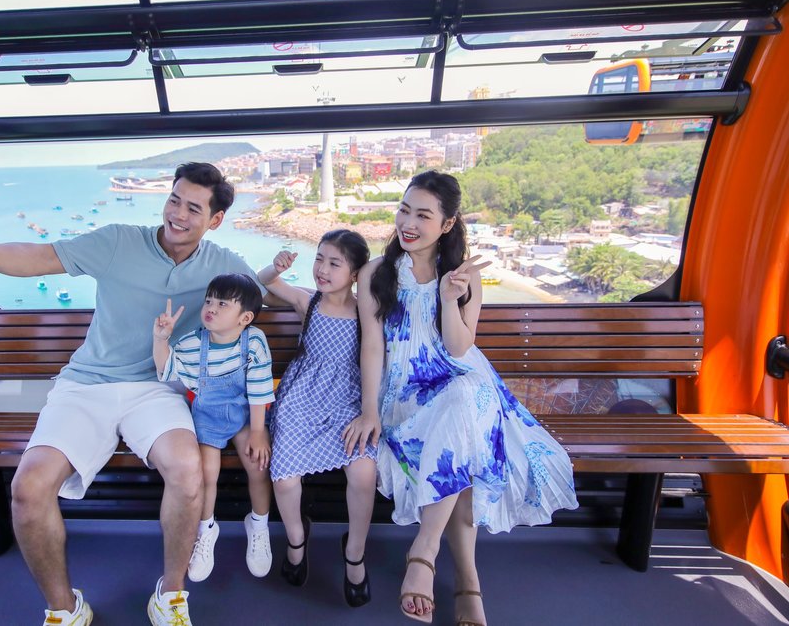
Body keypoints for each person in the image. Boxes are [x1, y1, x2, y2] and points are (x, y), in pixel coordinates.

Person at [0, 162, 265, 626]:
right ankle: (65, 609)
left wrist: (341, 300)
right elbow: (37, 257)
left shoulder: (222, 263)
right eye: (174, 198)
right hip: (86, 384)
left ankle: (170, 594)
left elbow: (268, 291)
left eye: (193, 208)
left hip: (156, 389)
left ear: (214, 220)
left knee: (188, 471)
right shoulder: (117, 241)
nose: (177, 213)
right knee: (28, 489)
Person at [347, 171, 578, 625]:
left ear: (448, 224)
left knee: (464, 403)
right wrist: (370, 409)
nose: (408, 223)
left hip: (461, 380)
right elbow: (372, 345)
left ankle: (425, 551)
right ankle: (469, 583)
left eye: (423, 215)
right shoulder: (376, 273)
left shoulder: (463, 277)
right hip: (405, 393)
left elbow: (458, 349)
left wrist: (451, 298)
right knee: (465, 448)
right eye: (404, 209)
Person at [256, 230, 378, 607]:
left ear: (356, 273)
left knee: (363, 472)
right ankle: (296, 537)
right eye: (319, 259)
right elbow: (263, 284)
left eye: (334, 263)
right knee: (286, 475)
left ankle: (354, 552)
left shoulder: (365, 312)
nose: (322, 269)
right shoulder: (308, 302)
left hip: (348, 399)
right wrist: (274, 267)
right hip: (302, 397)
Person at [152, 273, 275, 583]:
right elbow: (168, 372)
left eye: (223, 303)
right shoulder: (193, 343)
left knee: (258, 464)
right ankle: (206, 529)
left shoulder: (254, 341)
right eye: (209, 300)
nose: (211, 308)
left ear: (244, 317)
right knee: (207, 473)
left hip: (247, 416)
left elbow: (259, 387)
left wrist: (259, 432)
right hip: (207, 418)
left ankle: (258, 524)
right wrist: (161, 340)